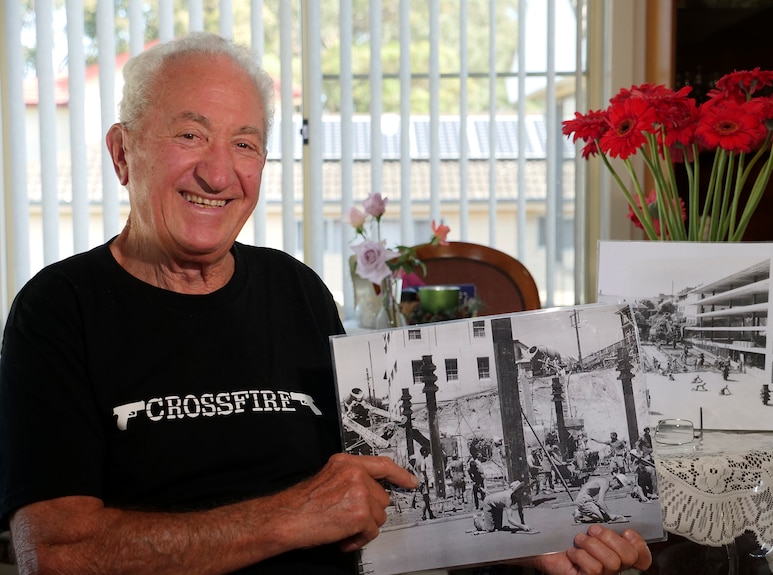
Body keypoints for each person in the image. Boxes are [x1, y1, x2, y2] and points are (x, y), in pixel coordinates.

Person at [0, 33, 651, 575]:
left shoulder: (295, 288)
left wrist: (529, 543)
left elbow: (385, 496)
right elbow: (56, 551)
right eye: (191, 135)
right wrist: (288, 516)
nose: (220, 173)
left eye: (246, 143)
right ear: (123, 152)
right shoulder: (57, 310)